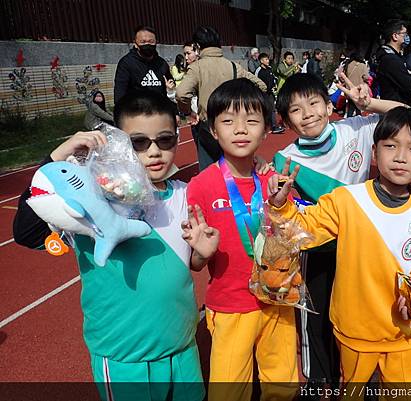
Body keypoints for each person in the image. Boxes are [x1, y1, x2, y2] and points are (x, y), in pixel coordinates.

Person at [13, 91, 207, 401]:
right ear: (118, 144)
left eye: (165, 140)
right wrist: (58, 156)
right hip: (124, 358)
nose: (154, 151)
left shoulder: (186, 194)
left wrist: (201, 253)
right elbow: (26, 231)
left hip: (182, 347)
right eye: (138, 142)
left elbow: (195, 257)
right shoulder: (91, 204)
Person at [268, 106, 411, 388]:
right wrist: (281, 206)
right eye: (390, 146)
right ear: (374, 152)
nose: (400, 157)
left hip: (405, 331)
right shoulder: (346, 200)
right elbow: (302, 230)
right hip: (355, 330)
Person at [186, 79, 298, 401]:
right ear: (213, 130)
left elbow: (291, 233)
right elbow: (195, 261)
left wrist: (280, 204)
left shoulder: (274, 179)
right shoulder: (201, 186)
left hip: (277, 298)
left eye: (251, 120)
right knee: (229, 390)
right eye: (228, 121)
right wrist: (201, 255)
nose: (240, 129)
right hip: (231, 305)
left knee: (283, 384)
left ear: (265, 131)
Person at [176, 26, 267, 171]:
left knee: (208, 167)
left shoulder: (197, 67)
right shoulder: (233, 66)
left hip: (207, 124)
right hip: (232, 122)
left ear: (198, 47)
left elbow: (181, 94)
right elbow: (261, 86)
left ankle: (212, 191)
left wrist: (188, 113)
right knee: (234, 164)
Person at [114, 25, 174, 104]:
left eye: (151, 41)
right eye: (143, 42)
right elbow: (120, 94)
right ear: (135, 44)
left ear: (156, 42)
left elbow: (170, 89)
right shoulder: (126, 63)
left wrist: (174, 112)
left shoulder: (162, 63)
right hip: (137, 113)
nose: (147, 44)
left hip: (160, 112)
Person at [373, 19, 411, 106]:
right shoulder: (391, 59)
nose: (406, 37)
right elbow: (410, 87)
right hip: (396, 110)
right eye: (404, 34)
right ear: (395, 36)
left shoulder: (393, 56)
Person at [255, 53, 286, 134]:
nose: (268, 61)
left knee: (272, 109)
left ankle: (274, 127)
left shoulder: (269, 69)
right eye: (266, 59)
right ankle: (261, 126)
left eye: (268, 59)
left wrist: (274, 86)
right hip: (263, 93)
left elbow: (272, 79)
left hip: (270, 93)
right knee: (263, 110)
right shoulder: (258, 71)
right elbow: (256, 82)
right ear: (261, 61)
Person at [342, 53, 370, 117]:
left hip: (349, 89)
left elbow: (343, 76)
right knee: (358, 107)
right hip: (359, 90)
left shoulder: (348, 65)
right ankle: (358, 122)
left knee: (351, 107)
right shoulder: (363, 65)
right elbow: (366, 77)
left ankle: (349, 121)